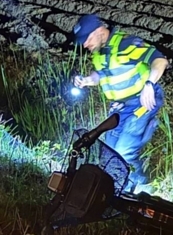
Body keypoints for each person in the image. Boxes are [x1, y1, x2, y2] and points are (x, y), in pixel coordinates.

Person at [72, 14, 168, 193]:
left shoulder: (126, 44)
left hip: (142, 102)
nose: (85, 45)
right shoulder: (99, 52)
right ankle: (119, 189)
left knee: (124, 150)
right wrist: (87, 80)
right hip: (119, 107)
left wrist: (149, 84)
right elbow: (101, 74)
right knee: (109, 154)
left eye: (87, 39)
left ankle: (143, 189)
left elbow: (160, 60)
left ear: (100, 31)